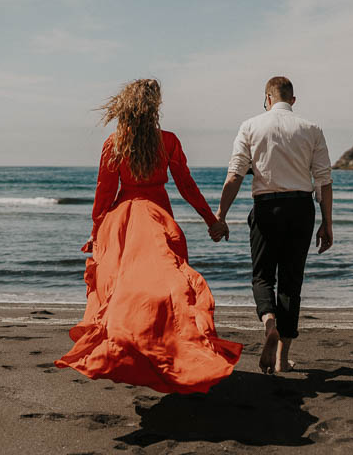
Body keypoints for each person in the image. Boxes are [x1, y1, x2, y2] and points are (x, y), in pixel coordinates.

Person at [55, 79, 242, 393]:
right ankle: (171, 354)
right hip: (159, 221)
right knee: (172, 293)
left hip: (123, 225)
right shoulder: (167, 141)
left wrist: (96, 232)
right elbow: (186, 186)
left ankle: (130, 352)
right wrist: (212, 221)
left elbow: (103, 195)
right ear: (154, 107)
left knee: (122, 295)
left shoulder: (114, 143)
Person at [211, 76, 333, 374]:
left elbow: (236, 174)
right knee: (292, 282)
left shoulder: (250, 126)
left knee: (263, 276)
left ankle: (269, 324)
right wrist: (327, 224)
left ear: (267, 98)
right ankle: (281, 359)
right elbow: (324, 180)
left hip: (266, 208)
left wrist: (220, 216)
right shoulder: (312, 129)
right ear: (292, 100)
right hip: (301, 208)